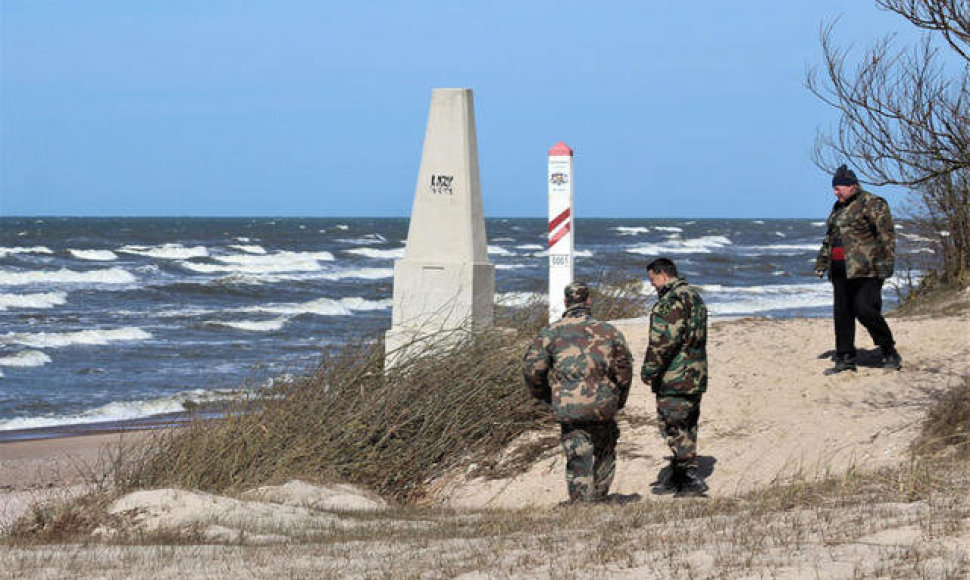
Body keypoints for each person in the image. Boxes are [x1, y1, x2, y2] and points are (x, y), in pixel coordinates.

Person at [523, 281, 633, 504]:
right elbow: (625, 370)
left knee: (578, 452)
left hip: (569, 404)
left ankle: (582, 499)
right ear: (589, 301)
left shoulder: (550, 332)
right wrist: (619, 399)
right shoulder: (609, 331)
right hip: (603, 403)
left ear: (566, 302)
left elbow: (533, 370)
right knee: (605, 448)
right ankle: (600, 494)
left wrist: (545, 396)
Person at [814, 164, 902, 374]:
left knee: (865, 310)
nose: (835, 192)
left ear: (852, 186)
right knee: (842, 314)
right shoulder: (838, 208)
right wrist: (822, 262)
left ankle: (889, 350)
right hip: (840, 270)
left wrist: (885, 265)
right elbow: (830, 238)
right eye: (834, 188)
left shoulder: (873, 203)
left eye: (838, 188)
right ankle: (845, 358)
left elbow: (886, 236)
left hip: (866, 269)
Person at [641, 257, 709, 497]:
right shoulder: (694, 297)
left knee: (673, 428)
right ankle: (678, 475)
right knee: (687, 426)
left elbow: (663, 342)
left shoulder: (671, 302)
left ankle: (690, 480)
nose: (652, 285)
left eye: (653, 280)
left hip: (675, 377)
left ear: (663, 275)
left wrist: (649, 370)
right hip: (695, 374)